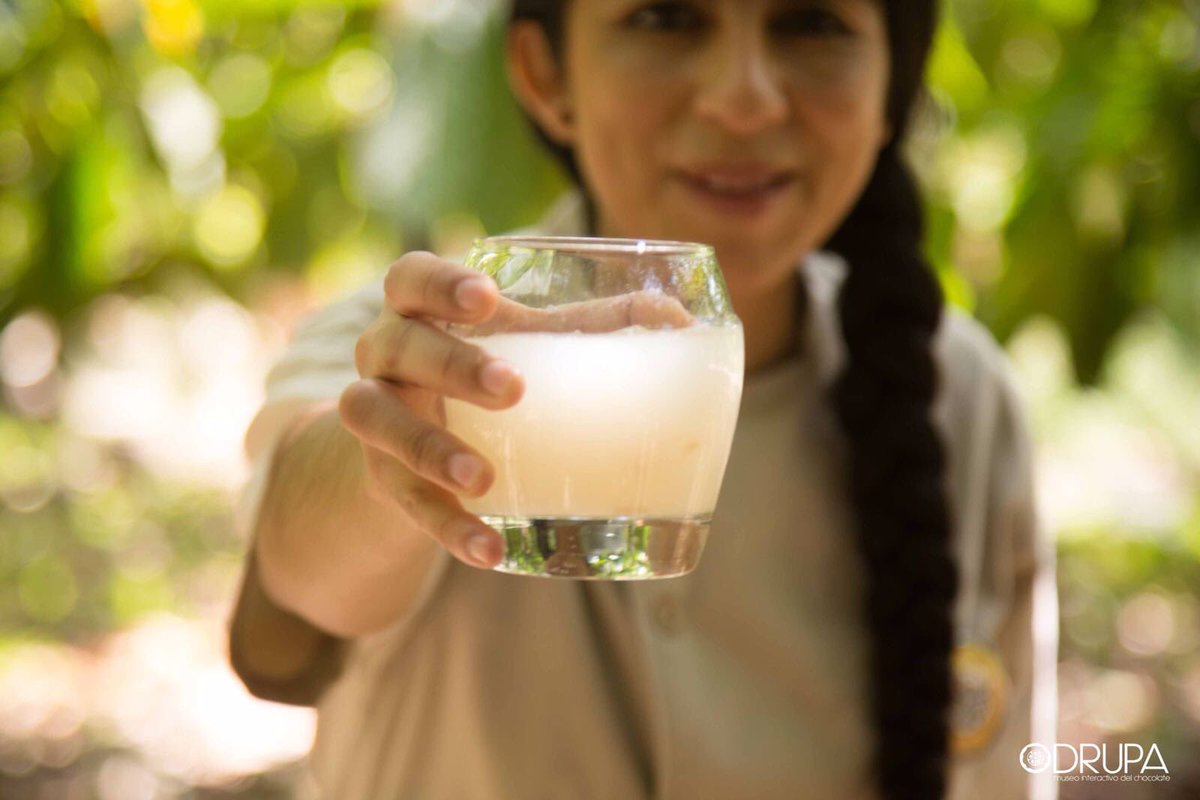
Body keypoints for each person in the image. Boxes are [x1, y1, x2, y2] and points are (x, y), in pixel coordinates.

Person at [228, 1, 1058, 798]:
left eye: (812, 22)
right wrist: (391, 458)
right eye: (666, 17)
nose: (744, 97)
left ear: (892, 88)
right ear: (544, 75)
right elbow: (299, 577)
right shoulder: (416, 344)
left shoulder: (964, 398)